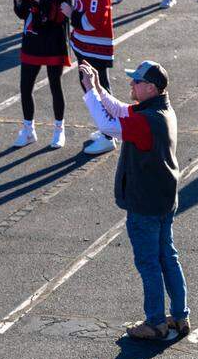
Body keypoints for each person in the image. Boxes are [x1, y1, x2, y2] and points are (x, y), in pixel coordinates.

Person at [81, 57, 190, 340]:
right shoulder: (160, 110)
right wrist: (97, 87)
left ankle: (155, 322)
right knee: (168, 257)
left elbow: (108, 125)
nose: (131, 83)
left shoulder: (146, 121)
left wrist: (89, 93)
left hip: (145, 204)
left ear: (151, 88)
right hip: (164, 199)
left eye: (136, 81)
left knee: (149, 263)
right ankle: (180, 316)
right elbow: (120, 111)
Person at [11, 0, 71, 150]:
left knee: (55, 85)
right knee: (25, 87)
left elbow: (63, 12)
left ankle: (59, 129)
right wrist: (19, 1)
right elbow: (22, 14)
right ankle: (28, 130)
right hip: (32, 39)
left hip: (53, 39)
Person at [63, 0, 116, 154]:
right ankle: (106, 130)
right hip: (86, 44)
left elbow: (95, 18)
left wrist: (71, 15)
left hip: (94, 45)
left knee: (98, 86)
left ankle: (109, 134)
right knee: (92, 86)